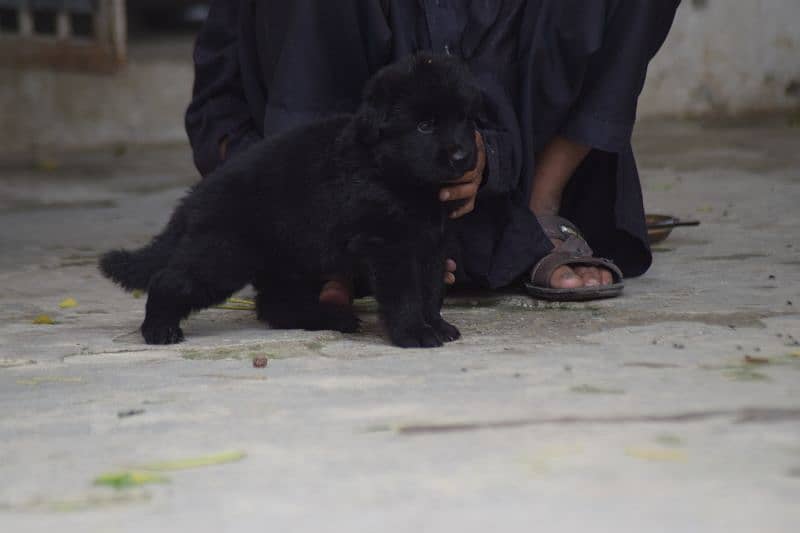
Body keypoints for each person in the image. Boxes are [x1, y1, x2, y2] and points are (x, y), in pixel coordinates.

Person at [185, 0, 681, 306]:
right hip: (349, 174)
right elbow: (220, 99)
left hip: (526, 152)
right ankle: (343, 238)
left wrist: (487, 156)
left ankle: (542, 207)